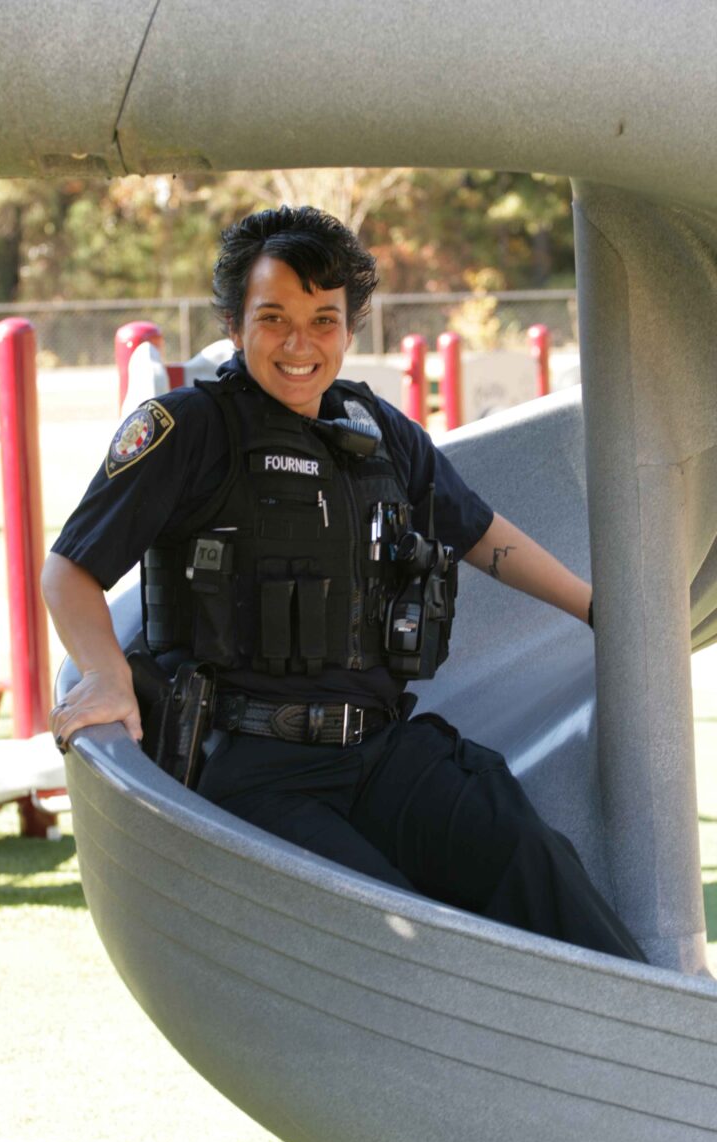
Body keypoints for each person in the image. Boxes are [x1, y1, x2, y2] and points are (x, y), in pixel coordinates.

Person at [42, 205, 646, 963]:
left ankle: (662, 1050)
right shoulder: (187, 430)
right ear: (234, 323)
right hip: (258, 771)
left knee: (536, 863)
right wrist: (104, 676)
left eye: (323, 320)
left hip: (381, 751)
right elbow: (68, 567)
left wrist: (596, 608)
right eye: (274, 318)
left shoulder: (380, 431)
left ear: (350, 327)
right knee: (399, 933)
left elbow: (482, 534)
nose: (300, 345)